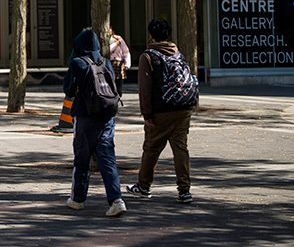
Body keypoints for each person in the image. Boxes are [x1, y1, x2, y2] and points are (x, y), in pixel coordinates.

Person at [128, 18, 196, 204]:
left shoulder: (148, 56)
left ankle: (144, 186)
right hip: (183, 108)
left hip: (161, 110)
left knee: (151, 148)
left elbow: (145, 89)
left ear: (151, 35)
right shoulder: (177, 53)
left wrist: (147, 114)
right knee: (180, 149)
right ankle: (184, 191)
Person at [64, 29, 127, 217]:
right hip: (107, 117)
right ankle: (116, 200)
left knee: (82, 159)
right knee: (107, 159)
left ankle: (78, 199)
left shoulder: (77, 63)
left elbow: (68, 90)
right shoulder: (105, 62)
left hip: (85, 117)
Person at [109, 31, 131, 97]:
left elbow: (126, 51)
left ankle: (118, 97)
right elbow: (108, 50)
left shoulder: (118, 38)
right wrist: (115, 44)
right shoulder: (103, 40)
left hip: (118, 63)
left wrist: (127, 63)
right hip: (109, 62)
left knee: (118, 83)